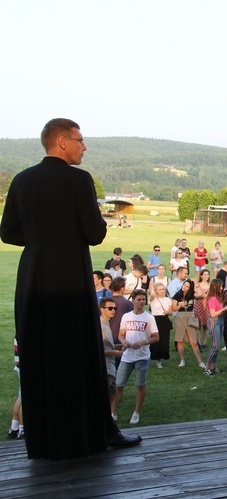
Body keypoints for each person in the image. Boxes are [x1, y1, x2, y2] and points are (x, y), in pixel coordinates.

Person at [0, 118, 140, 459]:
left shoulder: (21, 180)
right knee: (80, 355)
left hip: (33, 277)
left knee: (40, 355)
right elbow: (94, 233)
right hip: (69, 276)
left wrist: (40, 240)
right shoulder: (79, 180)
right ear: (62, 142)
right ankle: (93, 434)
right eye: (80, 140)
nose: (84, 146)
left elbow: (8, 233)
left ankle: (44, 441)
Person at [113, 290, 158, 425]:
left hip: (142, 356)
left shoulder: (149, 317)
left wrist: (144, 342)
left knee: (140, 384)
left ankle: (136, 413)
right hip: (127, 356)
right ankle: (113, 412)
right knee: (118, 384)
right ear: (133, 300)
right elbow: (121, 334)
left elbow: (156, 337)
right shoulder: (126, 316)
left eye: (143, 299)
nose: (141, 302)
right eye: (139, 299)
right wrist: (123, 342)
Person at [172, 280, 205, 369]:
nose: (184, 287)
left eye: (187, 286)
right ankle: (182, 360)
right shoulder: (177, 295)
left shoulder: (192, 295)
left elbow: (200, 296)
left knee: (193, 341)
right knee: (180, 340)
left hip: (190, 316)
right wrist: (180, 305)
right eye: (184, 285)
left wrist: (199, 289)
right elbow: (174, 308)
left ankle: (200, 362)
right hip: (180, 317)